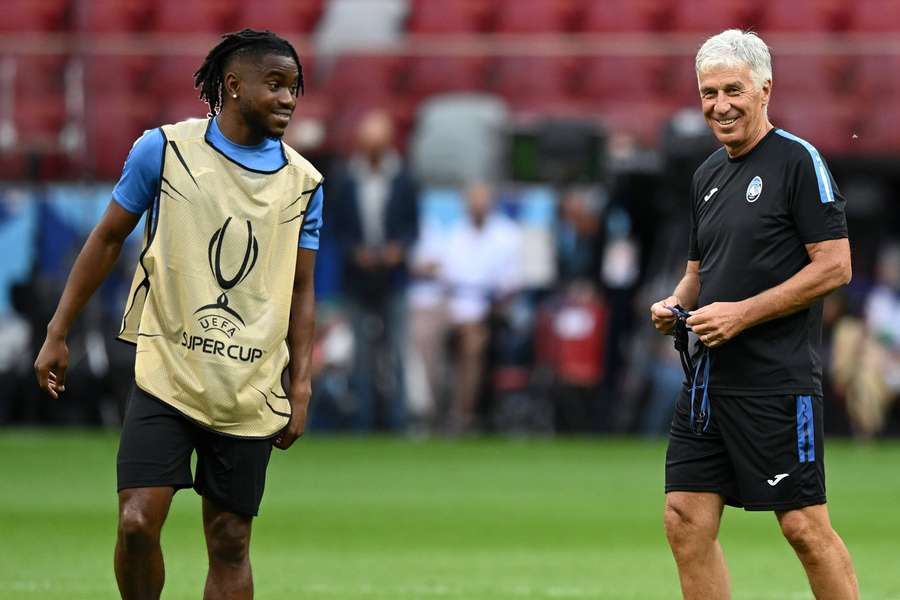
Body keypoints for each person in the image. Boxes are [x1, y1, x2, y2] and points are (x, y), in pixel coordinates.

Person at [33, 29, 324, 599]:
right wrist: (57, 330)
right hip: (166, 373)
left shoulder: (304, 184)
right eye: (276, 85)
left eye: (294, 88)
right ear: (233, 86)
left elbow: (303, 288)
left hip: (249, 384)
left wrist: (303, 382)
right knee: (137, 522)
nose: (289, 98)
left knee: (230, 541)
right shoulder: (164, 150)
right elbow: (108, 238)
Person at [649, 30, 858, 599]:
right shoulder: (707, 175)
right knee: (684, 519)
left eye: (733, 90)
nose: (720, 106)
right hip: (706, 385)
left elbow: (835, 267)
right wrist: (675, 304)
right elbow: (698, 272)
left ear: (765, 88)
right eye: (708, 93)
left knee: (804, 530)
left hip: (776, 382)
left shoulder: (798, 161)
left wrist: (742, 314)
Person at [330, 109, 419, 431]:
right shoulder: (346, 178)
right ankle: (363, 421)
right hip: (357, 279)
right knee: (361, 355)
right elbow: (336, 228)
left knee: (396, 352)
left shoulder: (404, 178)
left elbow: (412, 227)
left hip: (393, 278)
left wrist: (400, 249)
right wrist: (355, 253)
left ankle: (398, 422)